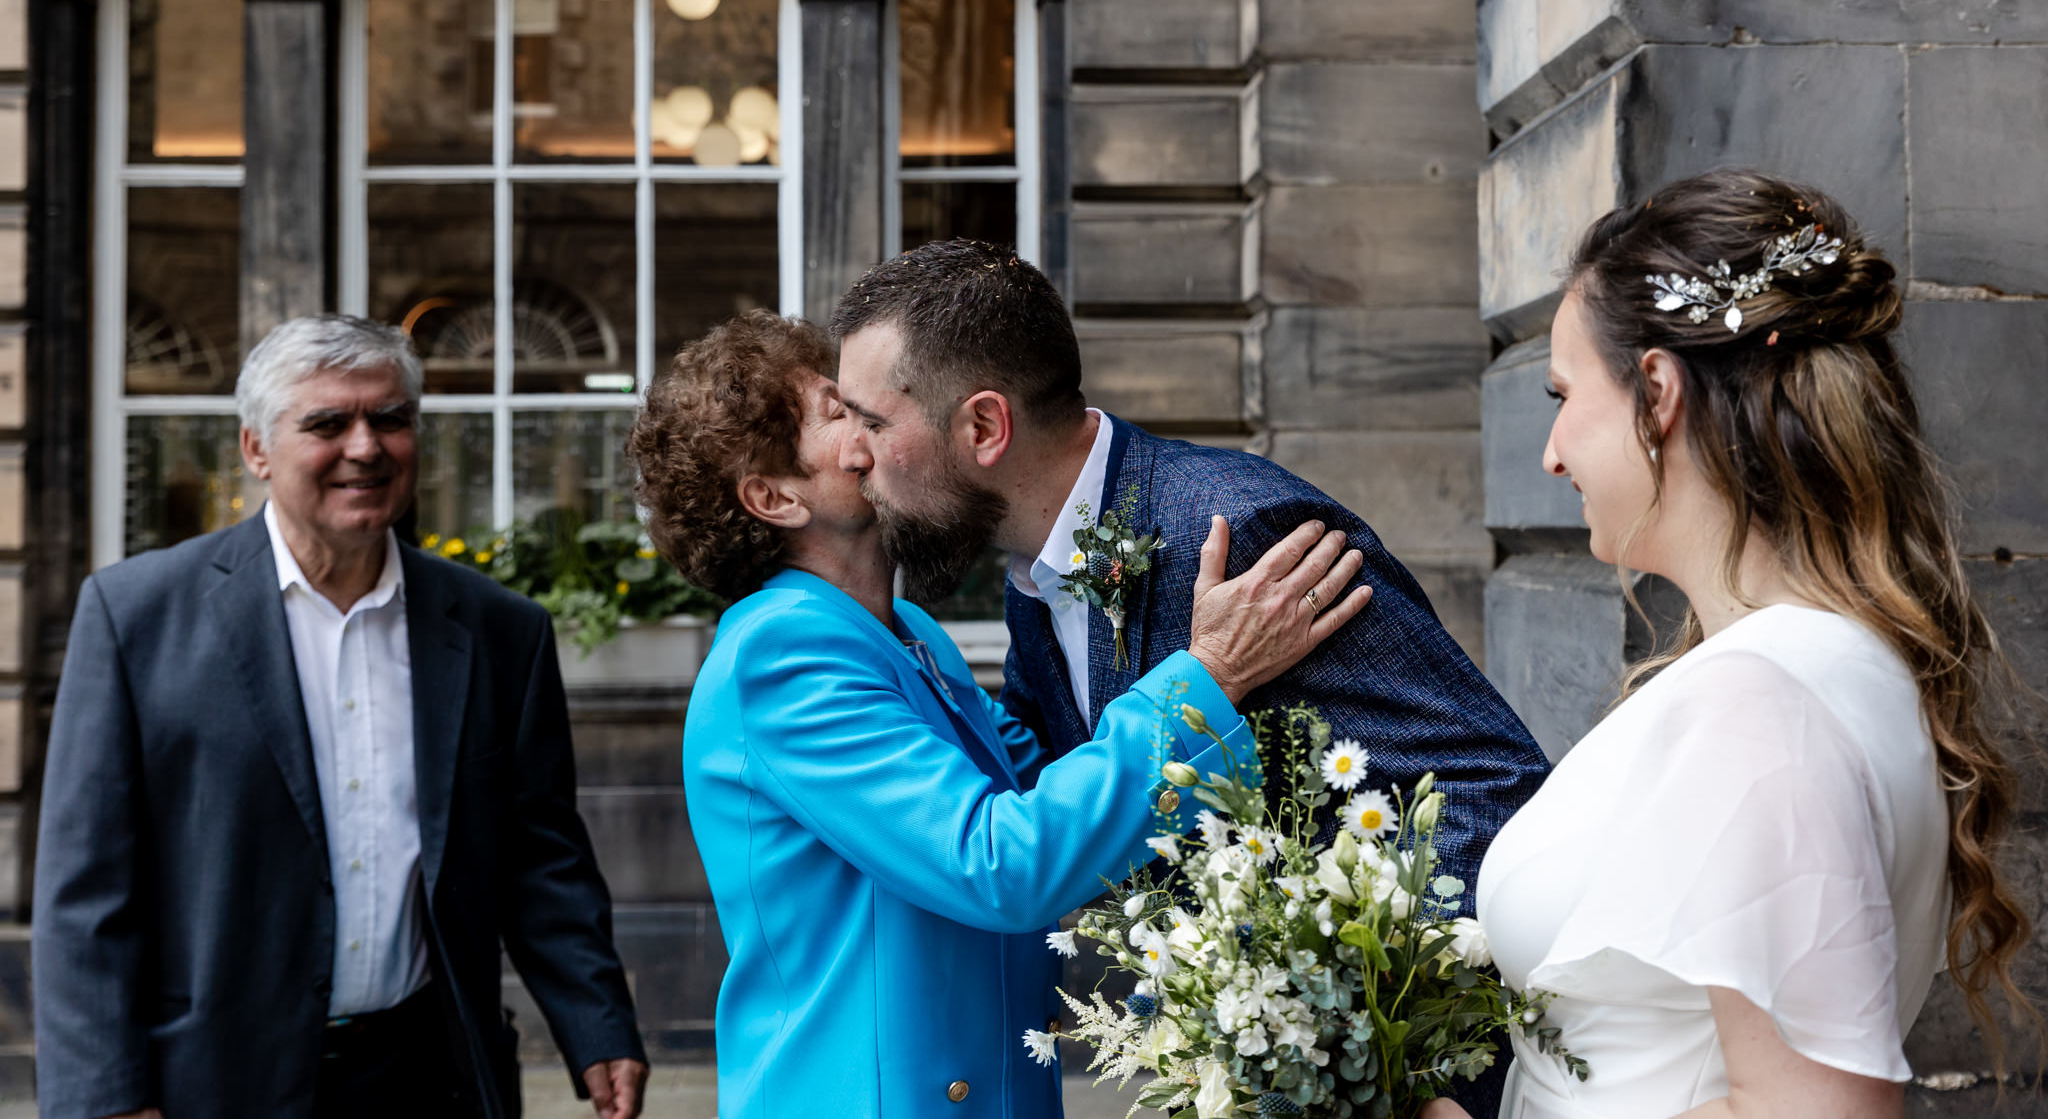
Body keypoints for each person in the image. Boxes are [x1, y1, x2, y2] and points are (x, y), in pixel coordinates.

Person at [627, 310, 1371, 1118]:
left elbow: (1050, 785)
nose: (873, 427)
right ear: (774, 496)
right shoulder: (780, 655)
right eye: (840, 411)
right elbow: (998, 862)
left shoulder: (905, 632)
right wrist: (1211, 673)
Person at [1418, 170, 2036, 1119]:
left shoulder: (1767, 700)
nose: (1550, 452)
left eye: (1563, 393)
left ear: (1656, 392)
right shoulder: (1818, 665)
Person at [33, 316, 648, 1119]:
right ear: (256, 448)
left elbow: (540, 857)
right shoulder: (135, 617)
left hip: (427, 1080)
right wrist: (105, 1098)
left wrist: (598, 1023)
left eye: (390, 418)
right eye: (327, 423)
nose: (365, 447)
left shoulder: (500, 630)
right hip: (215, 1084)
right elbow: (85, 893)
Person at [829, 241, 1550, 902]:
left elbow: (1493, 788)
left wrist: (1330, 967)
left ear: (984, 428)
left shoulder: (1240, 531)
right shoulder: (1032, 572)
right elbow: (1056, 793)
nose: (851, 454)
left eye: (872, 423)